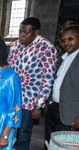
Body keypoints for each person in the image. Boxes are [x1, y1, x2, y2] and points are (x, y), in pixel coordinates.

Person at [8, 17, 57, 150]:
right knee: (8, 129)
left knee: (24, 132)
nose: (22, 35)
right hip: (13, 97)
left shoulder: (46, 48)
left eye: (26, 32)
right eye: (20, 31)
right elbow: (9, 70)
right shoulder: (15, 46)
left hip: (31, 100)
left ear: (36, 32)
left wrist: (39, 105)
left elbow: (48, 78)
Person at [44, 26, 79, 148]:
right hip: (54, 108)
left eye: (71, 39)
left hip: (70, 113)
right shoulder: (62, 58)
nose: (66, 43)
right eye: (63, 40)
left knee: (64, 146)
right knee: (49, 143)